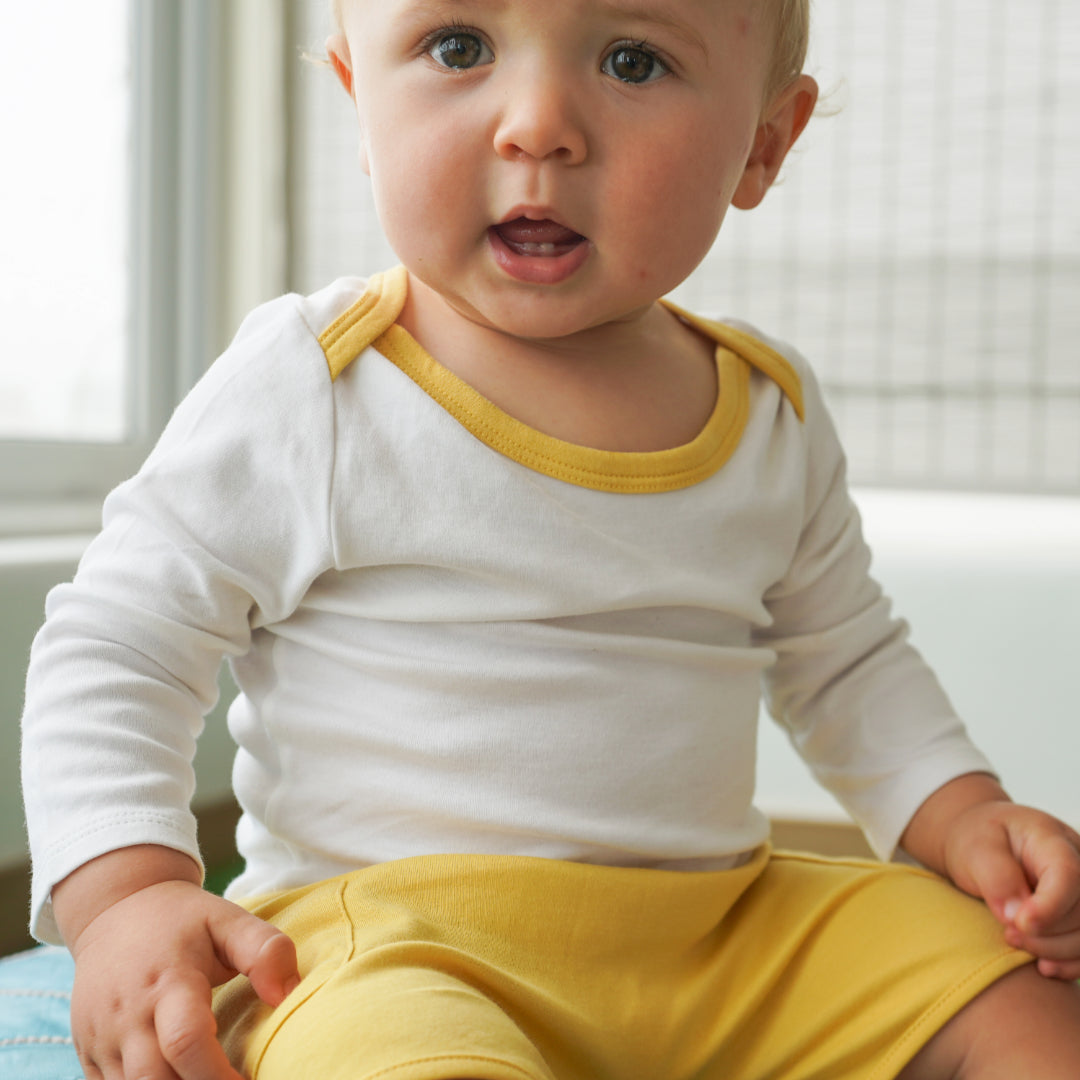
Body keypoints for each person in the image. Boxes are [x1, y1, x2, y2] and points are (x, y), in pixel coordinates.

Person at [20, 0, 1080, 1077]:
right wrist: (130, 896)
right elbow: (119, 643)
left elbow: (848, 662)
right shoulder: (324, 383)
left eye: (633, 58)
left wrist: (966, 815)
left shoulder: (769, 409)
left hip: (725, 940)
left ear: (763, 146)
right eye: (458, 47)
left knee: (1011, 991)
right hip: (402, 948)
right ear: (359, 103)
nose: (539, 126)